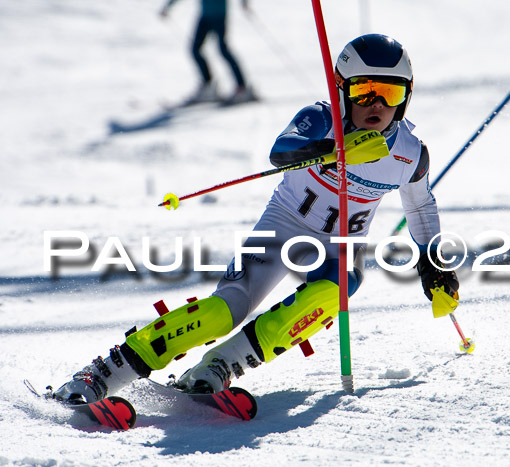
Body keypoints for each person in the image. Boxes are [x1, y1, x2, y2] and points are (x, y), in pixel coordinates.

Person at [52, 34, 459, 404]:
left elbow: (420, 206)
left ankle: (223, 363)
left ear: (406, 96)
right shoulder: (321, 119)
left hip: (339, 248)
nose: (377, 104)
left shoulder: (410, 153)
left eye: (390, 92)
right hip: (282, 227)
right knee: (223, 311)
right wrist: (334, 146)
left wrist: (433, 264)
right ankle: (106, 372)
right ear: (341, 89)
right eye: (364, 90)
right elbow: (282, 151)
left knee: (335, 294)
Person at [160, 0, 255, 104]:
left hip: (219, 15)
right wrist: (168, 6)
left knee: (223, 50)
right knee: (195, 50)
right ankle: (208, 87)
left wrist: (244, 2)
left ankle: (242, 88)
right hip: (205, 16)